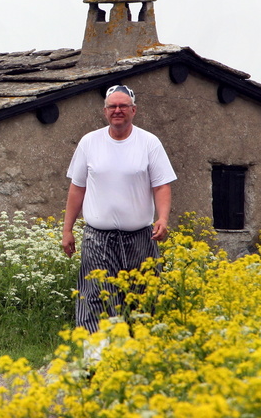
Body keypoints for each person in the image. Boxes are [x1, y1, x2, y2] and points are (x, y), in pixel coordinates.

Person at [61, 84, 176, 344]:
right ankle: (95, 362)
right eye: (112, 106)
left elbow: (161, 185)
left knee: (142, 299)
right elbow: (77, 187)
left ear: (133, 110)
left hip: (140, 239)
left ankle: (138, 359)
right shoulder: (90, 142)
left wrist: (163, 219)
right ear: (105, 111)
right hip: (97, 238)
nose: (117, 111)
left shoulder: (149, 143)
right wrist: (67, 230)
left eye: (123, 106)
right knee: (94, 299)